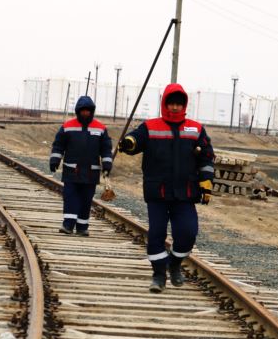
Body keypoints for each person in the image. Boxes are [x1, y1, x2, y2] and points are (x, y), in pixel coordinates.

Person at [118, 83, 215, 293]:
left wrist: (206, 182)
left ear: (184, 105)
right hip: (157, 192)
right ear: (164, 104)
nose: (174, 108)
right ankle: (159, 275)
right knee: (156, 235)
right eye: (171, 103)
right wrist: (128, 143)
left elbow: (207, 158)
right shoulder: (151, 126)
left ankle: (175, 263)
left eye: (178, 104)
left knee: (188, 233)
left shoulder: (196, 129)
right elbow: (136, 140)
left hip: (186, 193)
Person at [50, 96, 113, 236]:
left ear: (92, 111)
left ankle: (82, 227)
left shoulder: (101, 128)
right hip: (71, 171)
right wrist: (55, 160)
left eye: (88, 111)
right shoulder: (67, 127)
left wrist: (107, 163)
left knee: (86, 199)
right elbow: (58, 145)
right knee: (70, 197)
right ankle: (68, 225)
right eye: (83, 111)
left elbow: (106, 148)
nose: (85, 113)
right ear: (78, 111)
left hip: (91, 173)